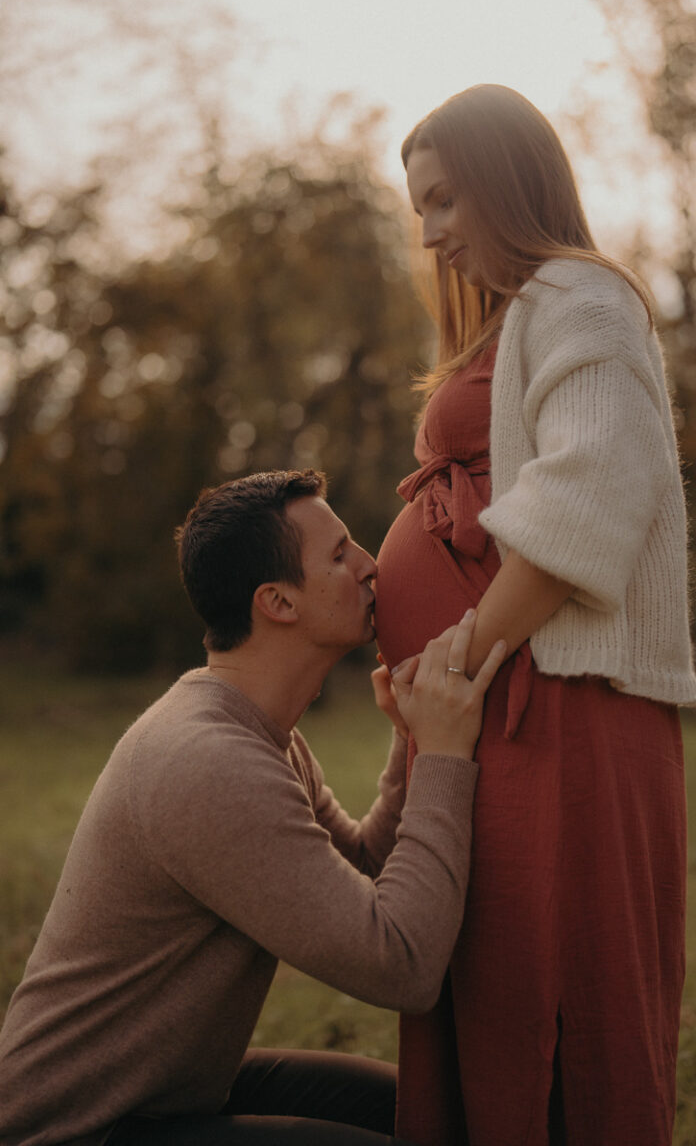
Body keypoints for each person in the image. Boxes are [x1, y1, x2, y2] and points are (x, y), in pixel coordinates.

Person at [373, 84, 696, 1146]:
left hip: (558, 709)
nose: (428, 234)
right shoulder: (526, 316)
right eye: (417, 209)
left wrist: (459, 657)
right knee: (494, 984)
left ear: (503, 179)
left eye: (442, 202)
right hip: (497, 711)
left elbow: (587, 499)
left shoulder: (581, 300)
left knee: (564, 992)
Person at [0, 468, 506, 1146]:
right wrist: (445, 757)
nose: (370, 565)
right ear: (278, 602)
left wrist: (413, 740)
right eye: (339, 553)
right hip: (79, 1129)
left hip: (171, 1095)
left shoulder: (252, 731)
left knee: (431, 1112)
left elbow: (358, 867)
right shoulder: (206, 761)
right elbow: (402, 964)